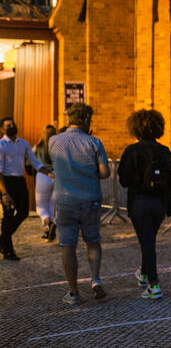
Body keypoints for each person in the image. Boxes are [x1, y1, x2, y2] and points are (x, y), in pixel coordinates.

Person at [49, 103, 110, 305]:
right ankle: (95, 280)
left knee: (68, 245)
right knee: (92, 241)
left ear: (69, 119)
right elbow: (105, 173)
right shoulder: (94, 142)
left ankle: (73, 292)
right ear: (86, 120)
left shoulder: (54, 141)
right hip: (90, 198)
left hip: (65, 201)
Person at [117, 109, 171, 300]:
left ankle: (154, 284)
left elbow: (124, 180)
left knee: (147, 242)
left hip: (139, 202)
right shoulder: (164, 151)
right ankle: (144, 275)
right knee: (148, 239)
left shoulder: (131, 151)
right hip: (160, 203)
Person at [0, 117, 53, 260]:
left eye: (12, 124)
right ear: (2, 129)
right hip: (7, 182)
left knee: (23, 212)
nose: (11, 127)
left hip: (20, 181)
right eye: (7, 125)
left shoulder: (23, 143)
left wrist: (48, 173)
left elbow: (35, 162)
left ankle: (3, 239)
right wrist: (4, 193)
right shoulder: (1, 145)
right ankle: (7, 250)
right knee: (8, 215)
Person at [33, 124, 58, 242]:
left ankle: (47, 222)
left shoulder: (37, 147)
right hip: (56, 176)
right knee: (52, 206)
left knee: (41, 207)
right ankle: (50, 229)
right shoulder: (59, 148)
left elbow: (29, 163)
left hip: (42, 176)